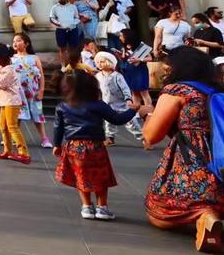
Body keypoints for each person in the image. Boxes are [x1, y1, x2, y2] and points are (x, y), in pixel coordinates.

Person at [143, 47, 224, 252]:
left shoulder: (178, 90)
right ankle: (218, 217)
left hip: (191, 166)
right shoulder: (221, 91)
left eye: (167, 69)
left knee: (158, 211)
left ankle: (205, 217)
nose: (165, 73)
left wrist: (148, 115)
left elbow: (151, 137)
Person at [53, 70, 145, 221]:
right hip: (95, 146)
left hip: (74, 146)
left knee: (80, 176)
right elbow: (117, 119)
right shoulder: (98, 105)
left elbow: (58, 127)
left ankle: (86, 207)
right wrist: (132, 110)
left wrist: (57, 144)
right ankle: (102, 207)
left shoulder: (63, 106)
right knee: (100, 177)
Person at [0, 44, 30, 164]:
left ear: (1, 57)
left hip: (11, 101)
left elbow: (1, 84)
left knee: (12, 126)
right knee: (3, 126)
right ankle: (7, 150)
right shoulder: (2, 68)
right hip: (4, 100)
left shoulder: (9, 69)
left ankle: (24, 153)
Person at [94, 51, 143, 146]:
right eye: (98, 62)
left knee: (131, 122)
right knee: (109, 122)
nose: (99, 64)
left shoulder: (117, 76)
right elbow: (96, 88)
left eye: (102, 62)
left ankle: (142, 137)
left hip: (121, 104)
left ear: (109, 62)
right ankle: (110, 137)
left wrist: (128, 99)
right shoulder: (98, 76)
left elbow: (125, 89)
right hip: (107, 104)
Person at [11, 33, 52, 148]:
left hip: (33, 91)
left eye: (18, 40)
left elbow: (41, 75)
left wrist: (41, 90)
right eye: (14, 41)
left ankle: (44, 138)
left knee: (37, 114)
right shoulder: (11, 59)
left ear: (26, 43)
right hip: (18, 92)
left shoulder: (34, 58)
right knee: (17, 115)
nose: (15, 43)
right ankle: (15, 137)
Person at [118, 29, 152, 108]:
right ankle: (136, 111)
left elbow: (150, 58)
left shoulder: (140, 45)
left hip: (140, 70)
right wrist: (120, 55)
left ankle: (149, 110)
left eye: (121, 36)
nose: (120, 38)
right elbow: (125, 59)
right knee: (134, 92)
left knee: (144, 92)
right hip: (129, 70)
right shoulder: (124, 46)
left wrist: (139, 59)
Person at [50, 0, 81, 67]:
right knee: (62, 48)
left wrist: (72, 24)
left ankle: (73, 65)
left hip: (72, 29)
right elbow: (51, 18)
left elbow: (77, 18)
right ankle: (63, 66)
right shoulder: (55, 7)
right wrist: (59, 24)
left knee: (73, 48)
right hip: (61, 30)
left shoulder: (73, 7)